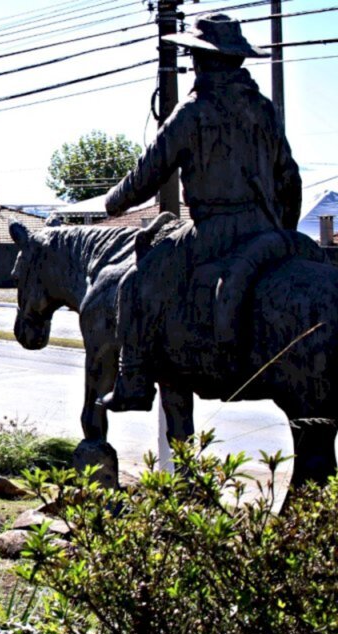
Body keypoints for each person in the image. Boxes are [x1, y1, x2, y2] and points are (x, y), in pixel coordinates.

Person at [99, 13, 301, 412]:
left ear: (202, 60)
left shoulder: (193, 111)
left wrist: (112, 203)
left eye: (195, 56)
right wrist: (283, 232)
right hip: (266, 228)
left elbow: (148, 173)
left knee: (134, 285)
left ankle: (133, 381)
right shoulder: (263, 109)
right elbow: (289, 178)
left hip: (215, 231)